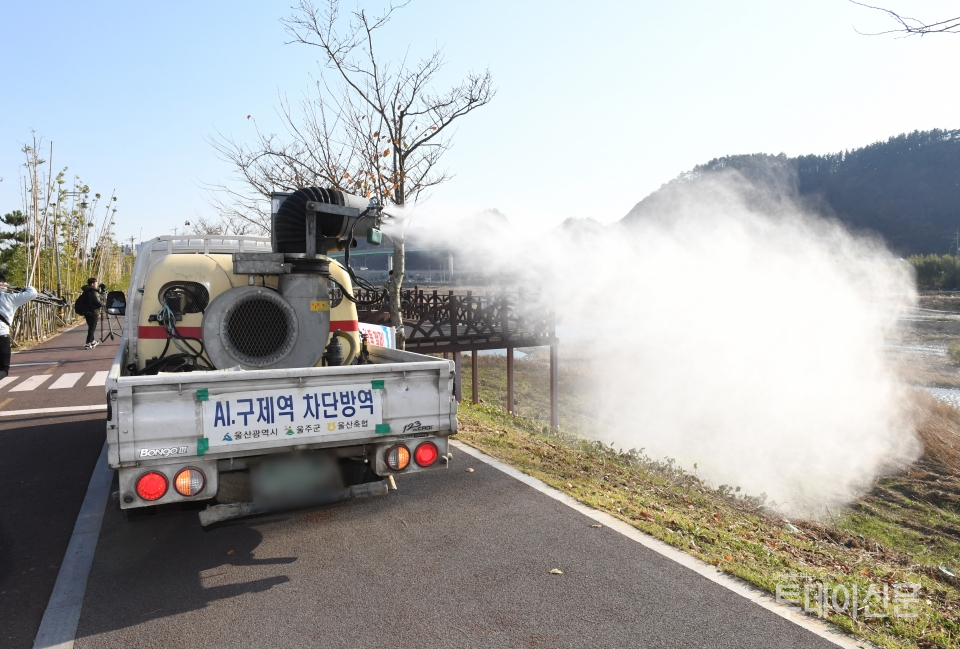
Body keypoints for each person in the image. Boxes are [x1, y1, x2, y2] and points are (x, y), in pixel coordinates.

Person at [0, 275, 37, 380]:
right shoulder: (9, 298)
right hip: (1, 336)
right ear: (3, 284)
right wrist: (25, 288)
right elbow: (33, 293)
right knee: (3, 369)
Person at [80, 278, 103, 349]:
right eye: (96, 282)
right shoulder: (93, 292)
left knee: (91, 327)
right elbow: (97, 302)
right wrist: (103, 303)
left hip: (87, 312)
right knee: (92, 328)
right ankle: (88, 343)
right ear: (92, 283)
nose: (97, 284)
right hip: (94, 312)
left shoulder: (86, 291)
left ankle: (92, 341)